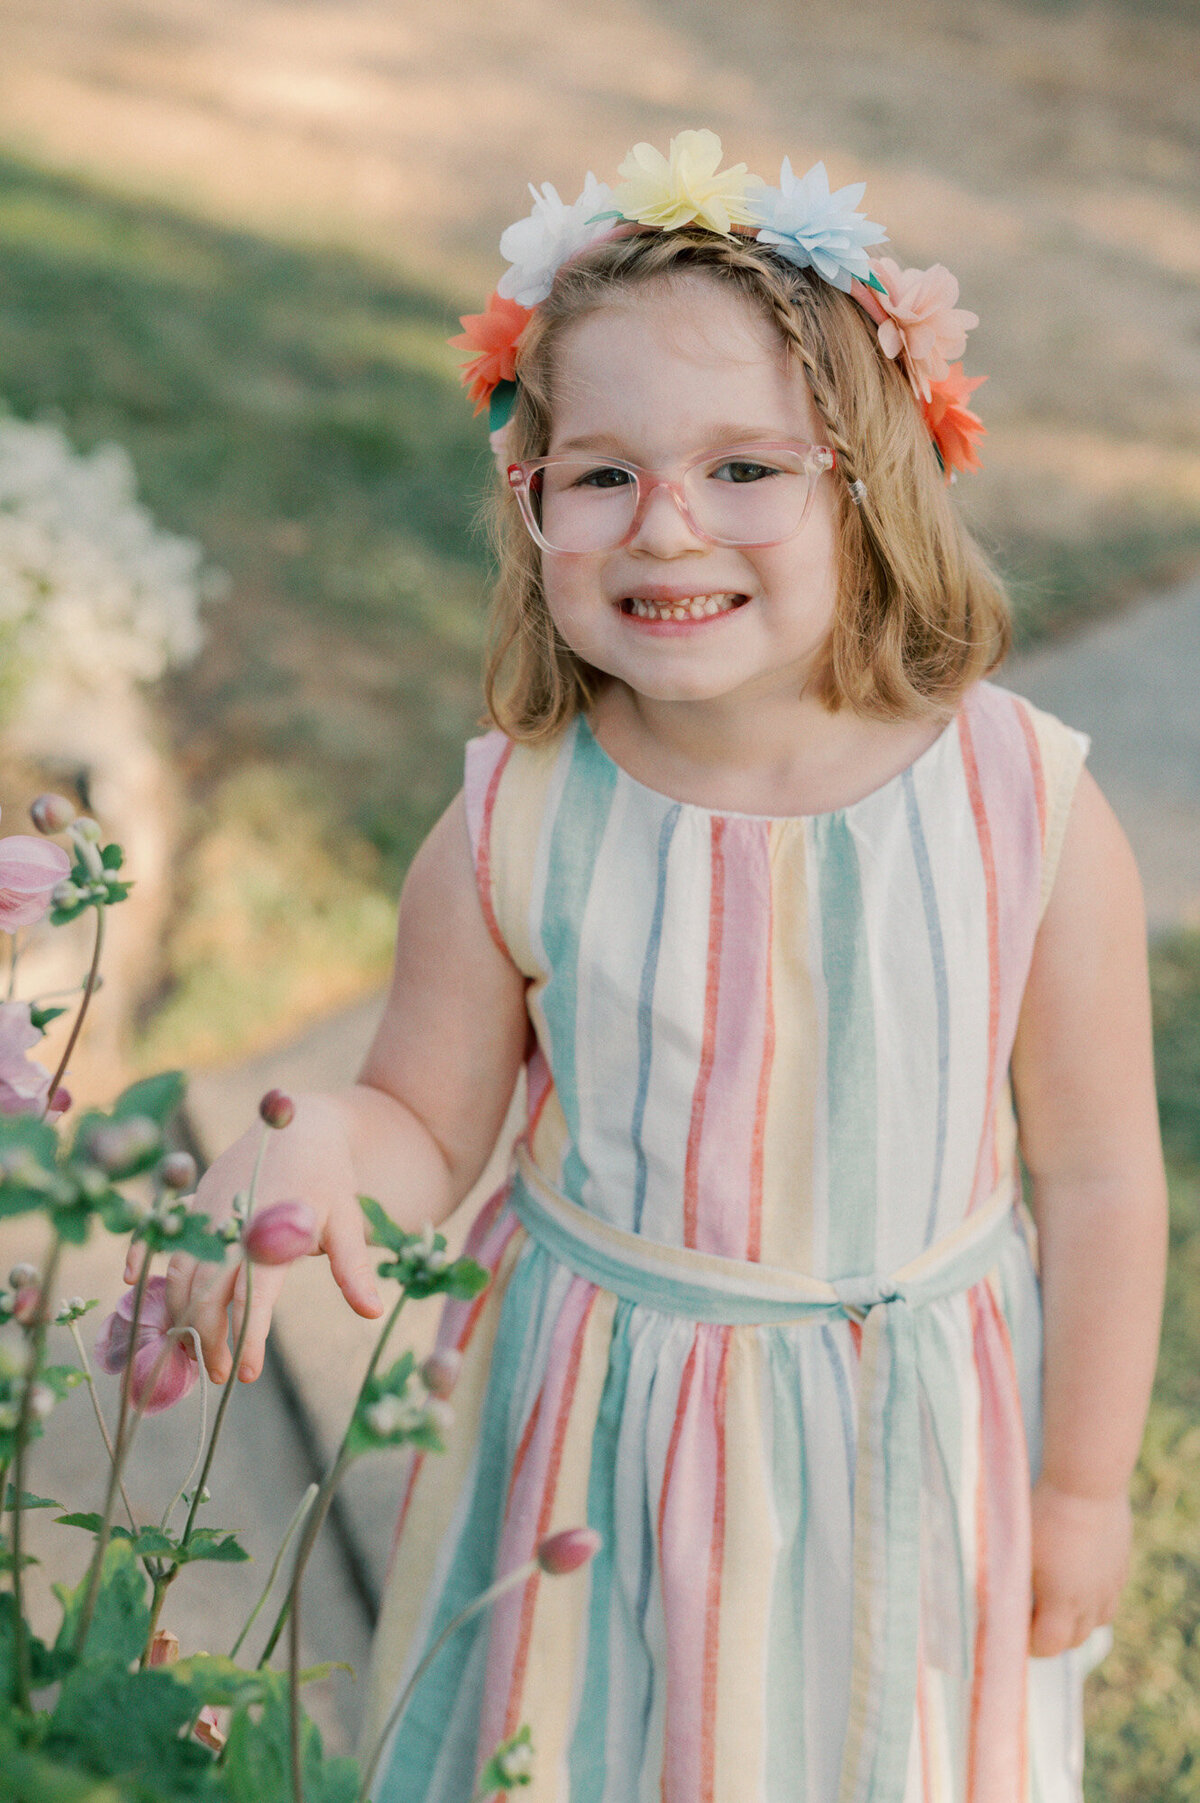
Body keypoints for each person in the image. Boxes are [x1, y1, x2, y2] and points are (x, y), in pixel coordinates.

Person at [147, 133, 1167, 1801]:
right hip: (605, 1438)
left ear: (874, 478)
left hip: (916, 1436)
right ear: (532, 504)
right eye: (602, 473)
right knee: (595, 1746)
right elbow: (419, 1117)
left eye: (746, 470)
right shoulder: (518, 827)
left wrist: (1080, 1490)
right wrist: (327, 1145)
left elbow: (1107, 1175)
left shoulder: (1024, 812)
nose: (667, 526)